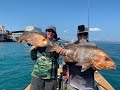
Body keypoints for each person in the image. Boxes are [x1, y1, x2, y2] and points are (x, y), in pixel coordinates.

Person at [61, 25, 97, 90]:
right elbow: (65, 61)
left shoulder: (94, 47)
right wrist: (64, 73)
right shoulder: (71, 46)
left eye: (85, 34)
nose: (82, 37)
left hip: (88, 85)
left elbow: (96, 66)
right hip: (72, 83)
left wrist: (95, 66)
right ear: (77, 35)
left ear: (88, 35)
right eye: (80, 35)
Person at [30, 25, 63, 90]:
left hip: (51, 75)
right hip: (37, 73)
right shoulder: (39, 41)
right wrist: (32, 50)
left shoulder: (58, 43)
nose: (50, 32)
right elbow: (33, 58)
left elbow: (56, 57)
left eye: (52, 31)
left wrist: (57, 52)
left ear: (54, 33)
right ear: (46, 32)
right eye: (49, 31)